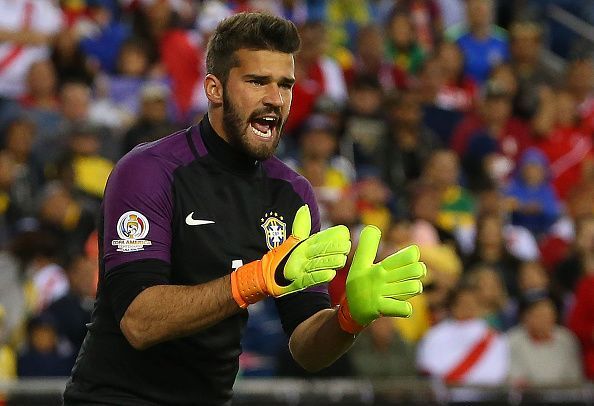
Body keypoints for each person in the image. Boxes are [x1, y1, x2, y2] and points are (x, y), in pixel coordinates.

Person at [63, 13, 426, 406]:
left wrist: (347, 319)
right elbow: (139, 322)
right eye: (257, 82)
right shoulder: (149, 172)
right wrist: (255, 279)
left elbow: (306, 347)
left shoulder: (291, 194)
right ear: (214, 89)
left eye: (285, 84)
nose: (275, 98)